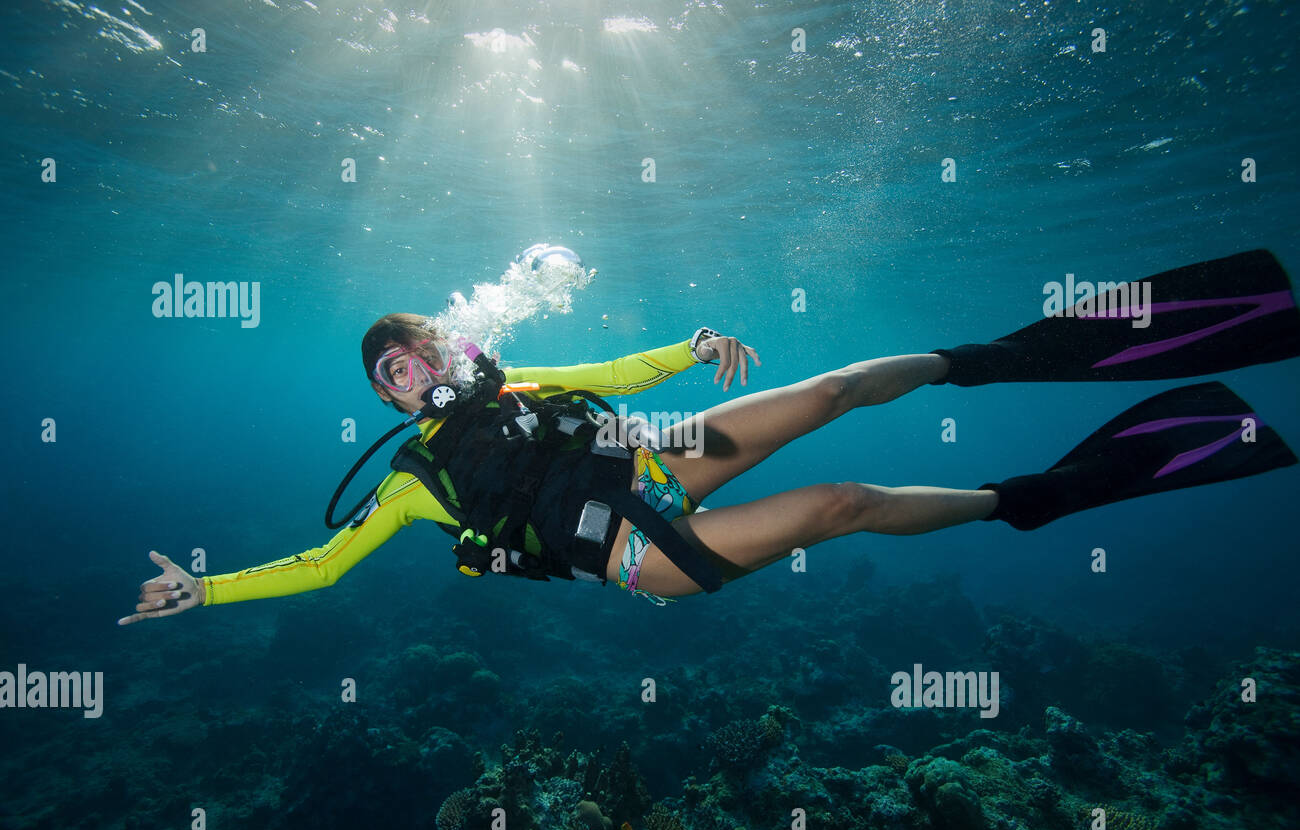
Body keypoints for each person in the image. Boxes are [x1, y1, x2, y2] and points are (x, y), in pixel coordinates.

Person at [120, 249, 1299, 624]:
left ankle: (1022, 350)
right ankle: (1030, 496)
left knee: (835, 386)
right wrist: (208, 589)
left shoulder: (516, 375)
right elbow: (322, 561)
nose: (406, 375)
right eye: (386, 373)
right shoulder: (415, 478)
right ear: (384, 399)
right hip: (637, 558)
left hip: (651, 452)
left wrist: (687, 349)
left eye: (413, 351)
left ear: (443, 348)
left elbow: (611, 371)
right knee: (842, 500)